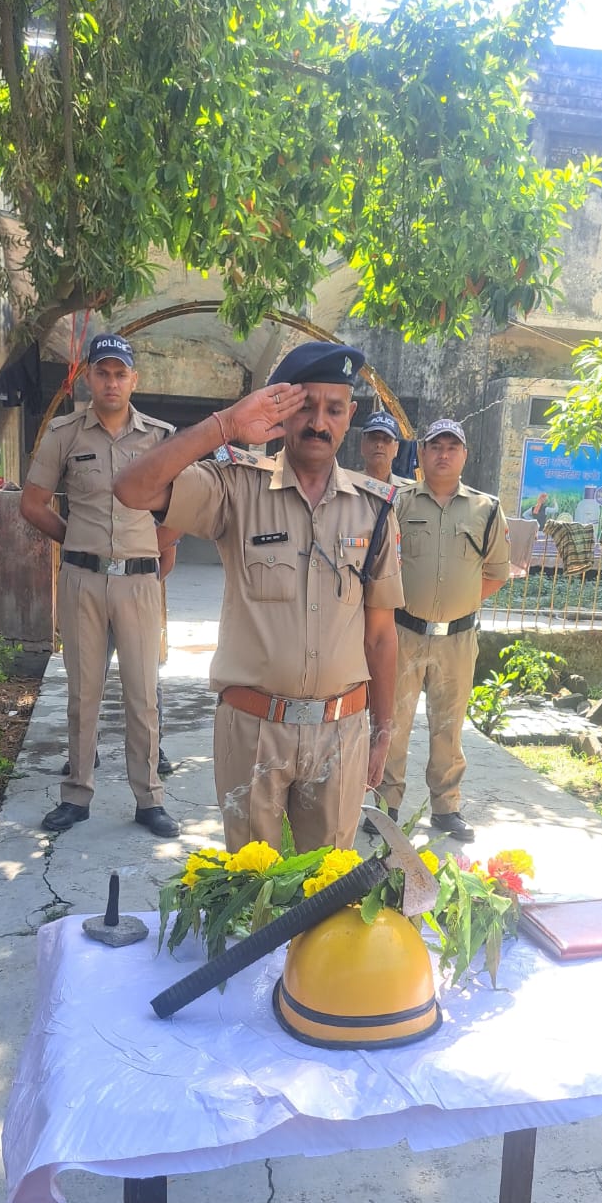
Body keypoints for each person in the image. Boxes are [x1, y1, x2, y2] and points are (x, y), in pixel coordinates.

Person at [114, 340, 403, 853]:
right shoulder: (237, 489)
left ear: (350, 415)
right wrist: (223, 425)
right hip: (253, 731)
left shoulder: (374, 510)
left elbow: (380, 635)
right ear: (281, 411)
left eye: (333, 410)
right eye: (305, 406)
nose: (319, 423)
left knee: (328, 894)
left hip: (341, 733)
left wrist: (383, 730)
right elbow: (132, 488)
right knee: (256, 892)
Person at [20, 334, 179, 837]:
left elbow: (185, 506)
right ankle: (77, 795)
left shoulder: (160, 438)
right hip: (83, 582)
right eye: (102, 372)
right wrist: (78, 544)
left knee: (142, 694)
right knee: (82, 692)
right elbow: (33, 502)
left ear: (135, 379)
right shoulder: (65, 433)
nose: (111, 382)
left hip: (138, 584)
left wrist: (153, 547)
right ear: (88, 377)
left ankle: (149, 800)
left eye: (120, 373)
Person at [376, 418, 511, 843]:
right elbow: (381, 566)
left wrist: (460, 604)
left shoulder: (486, 509)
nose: (444, 454)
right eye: (436, 446)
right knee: (390, 722)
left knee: (449, 726)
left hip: (457, 638)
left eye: (453, 447)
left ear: (465, 456)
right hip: (403, 633)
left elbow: (496, 573)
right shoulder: (398, 503)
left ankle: (446, 808)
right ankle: (385, 803)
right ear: (422, 453)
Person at [61, 521, 178, 778]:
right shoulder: (91, 506)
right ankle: (85, 753)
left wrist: (138, 587)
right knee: (87, 680)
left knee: (146, 684)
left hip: (135, 599)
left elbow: (167, 555)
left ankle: (153, 751)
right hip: (91, 597)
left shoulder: (146, 502)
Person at [360, 409, 411, 488]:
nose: (379, 444)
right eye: (373, 438)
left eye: (387, 439)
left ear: (396, 448)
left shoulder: (409, 492)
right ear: (362, 445)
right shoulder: (347, 486)